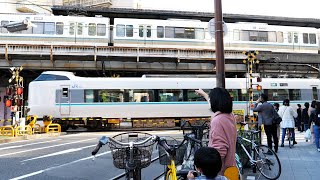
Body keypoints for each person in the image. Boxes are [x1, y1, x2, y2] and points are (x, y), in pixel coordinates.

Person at [195, 88, 236, 174]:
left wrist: (205, 168)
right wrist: (204, 94)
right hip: (230, 167)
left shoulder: (218, 121)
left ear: (215, 102)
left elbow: (220, 150)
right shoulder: (230, 116)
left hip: (219, 171)